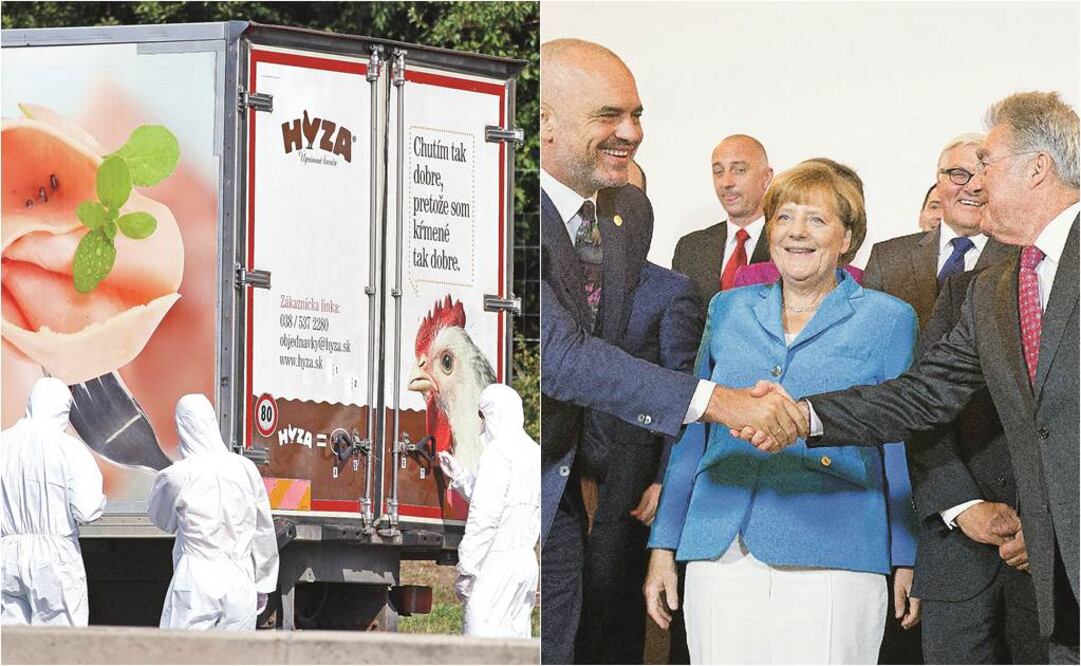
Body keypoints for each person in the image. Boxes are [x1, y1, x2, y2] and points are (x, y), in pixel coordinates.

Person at [744, 91, 1079, 664]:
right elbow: (925, 394)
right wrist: (804, 415)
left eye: (987, 163)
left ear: (1038, 168)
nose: (975, 182)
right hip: (1058, 586)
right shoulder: (995, 290)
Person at [539, 39, 800, 662]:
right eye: (610, 115)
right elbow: (562, 355)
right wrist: (720, 403)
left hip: (570, 495)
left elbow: (620, 355)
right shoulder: (506, 206)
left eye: (637, 114)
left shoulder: (626, 212)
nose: (631, 132)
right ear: (545, 121)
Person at [644, 161, 920, 664]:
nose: (797, 232)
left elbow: (901, 441)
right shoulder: (727, 308)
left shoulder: (889, 318)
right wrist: (664, 543)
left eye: (816, 219)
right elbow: (693, 426)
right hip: (718, 541)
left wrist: (907, 554)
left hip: (836, 548)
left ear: (848, 237)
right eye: (785, 217)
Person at [911, 265, 1046, 663]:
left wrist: (1050, 526)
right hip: (958, 556)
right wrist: (962, 505)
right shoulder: (966, 290)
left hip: (1058, 569)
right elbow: (921, 407)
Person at [148, 394, 278, 630]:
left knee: (183, 654)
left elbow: (162, 521)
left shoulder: (176, 475)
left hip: (197, 578)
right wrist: (264, 582)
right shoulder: (245, 468)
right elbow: (263, 530)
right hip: (241, 578)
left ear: (181, 426)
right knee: (234, 656)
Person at [863, 134, 1011, 330]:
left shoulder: (1018, 259)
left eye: (984, 175)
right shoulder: (888, 258)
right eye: (959, 174)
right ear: (938, 181)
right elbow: (867, 338)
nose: (973, 187)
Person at [1, 377, 106, 626]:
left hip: (6, 553)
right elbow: (87, 510)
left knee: (8, 645)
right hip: (55, 559)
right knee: (60, 645)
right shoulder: (70, 449)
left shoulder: (2, 443)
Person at [444, 384, 540, 638]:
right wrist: (462, 477)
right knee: (517, 645)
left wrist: (467, 568)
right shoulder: (533, 452)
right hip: (525, 563)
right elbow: (512, 502)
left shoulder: (497, 453)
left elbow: (485, 517)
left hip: (495, 565)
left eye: (482, 417)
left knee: (481, 649)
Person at [673, 134, 773, 311]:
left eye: (739, 170)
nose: (726, 182)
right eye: (718, 172)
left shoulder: (787, 243)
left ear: (766, 177)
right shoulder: (690, 248)